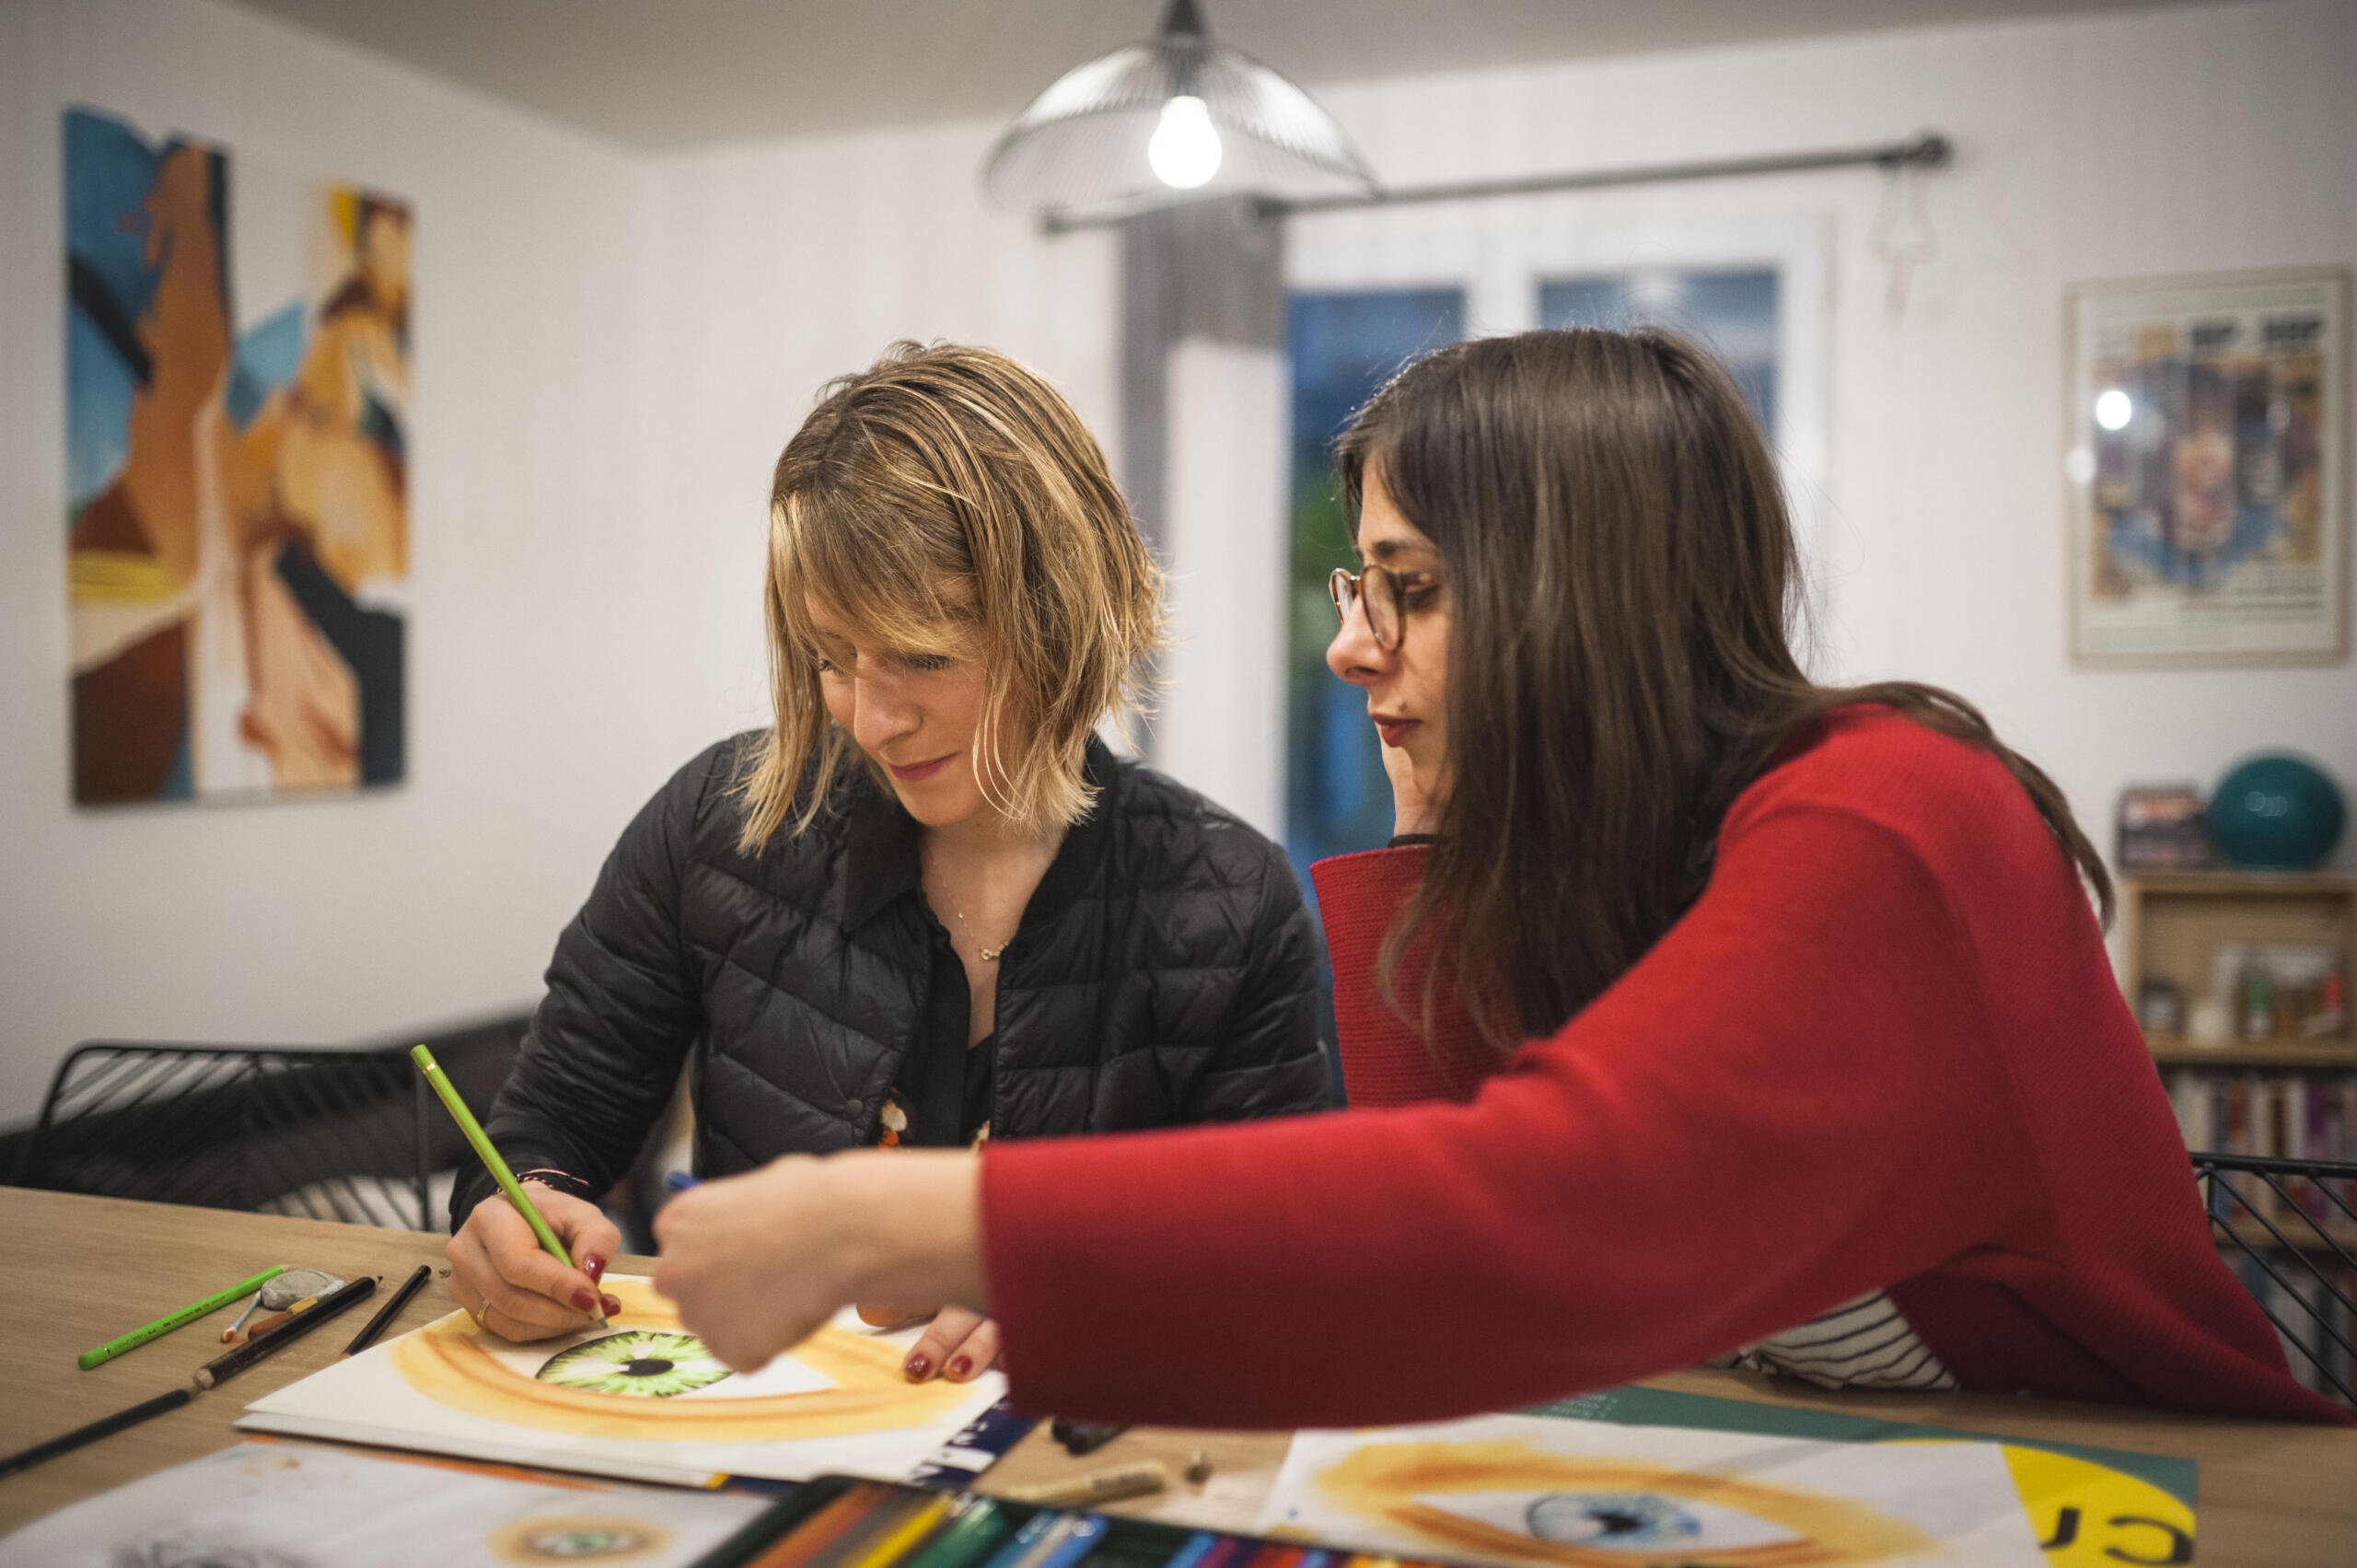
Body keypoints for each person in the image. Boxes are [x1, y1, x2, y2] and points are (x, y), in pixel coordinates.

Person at [650, 326, 2349, 1427]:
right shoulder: (1608, 860)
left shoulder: (1889, 815)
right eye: (1357, 587)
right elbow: (1403, 1233)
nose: (1348, 645)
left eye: (1409, 588)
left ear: (1573, 599)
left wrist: (890, 1212)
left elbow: (1535, 1208)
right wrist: (1430, 832)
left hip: (2156, 1486)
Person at [447, 342, 1329, 1384]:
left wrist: (1090, 1288)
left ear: (1059, 615)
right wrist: (517, 1206)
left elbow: (1288, 1267)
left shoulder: (1231, 903)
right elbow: (545, 1125)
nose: (870, 719)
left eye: (921, 655)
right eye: (832, 657)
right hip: (755, 1439)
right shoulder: (718, 826)